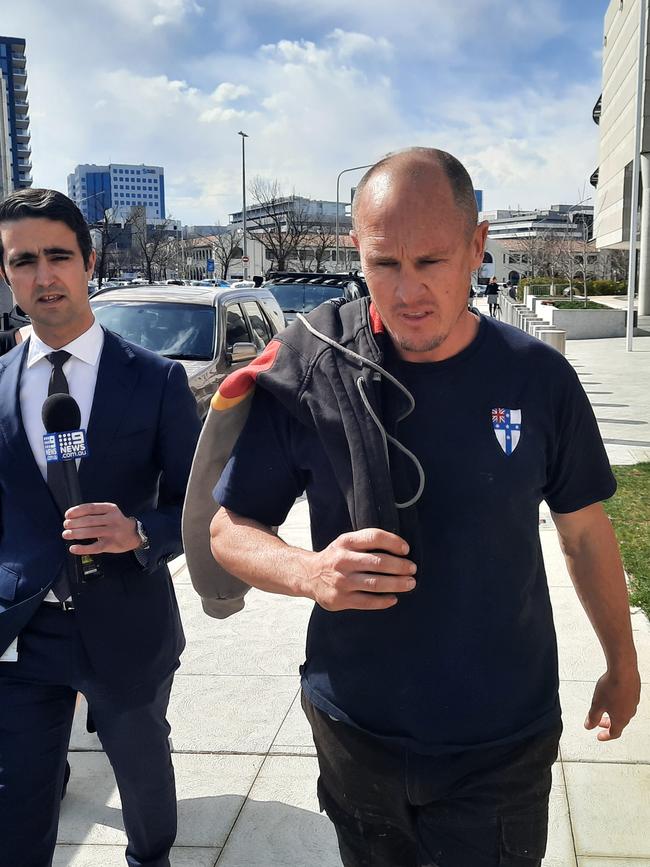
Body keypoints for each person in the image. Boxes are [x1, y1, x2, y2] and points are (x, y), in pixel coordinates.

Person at [185, 147, 640, 867]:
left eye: (431, 261)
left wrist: (622, 658)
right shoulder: (317, 370)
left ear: (477, 247)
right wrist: (309, 572)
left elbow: (584, 533)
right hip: (355, 725)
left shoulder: (539, 379)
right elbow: (227, 529)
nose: (408, 291)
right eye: (383, 263)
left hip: (501, 737)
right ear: (356, 253)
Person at [0, 189, 201, 867]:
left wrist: (139, 532)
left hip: (126, 621)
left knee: (145, 787)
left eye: (58, 255)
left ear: (90, 260)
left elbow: (200, 509)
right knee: (19, 801)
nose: (43, 275)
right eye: (23, 260)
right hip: (23, 631)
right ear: (6, 274)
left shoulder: (157, 381)